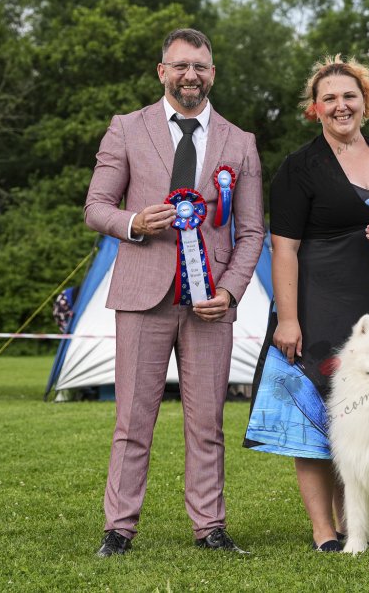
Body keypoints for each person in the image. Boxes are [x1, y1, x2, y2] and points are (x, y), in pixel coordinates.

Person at [84, 28, 264, 557]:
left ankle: (210, 527)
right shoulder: (126, 128)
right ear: (162, 71)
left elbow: (252, 231)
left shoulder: (241, 141)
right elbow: (96, 207)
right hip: (142, 296)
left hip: (211, 304)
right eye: (181, 65)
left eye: (200, 66)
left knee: (208, 423)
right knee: (132, 421)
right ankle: (119, 529)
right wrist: (134, 222)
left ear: (213, 74)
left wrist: (231, 292)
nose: (191, 75)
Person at [243, 55, 369, 552]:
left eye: (349, 95)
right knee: (314, 415)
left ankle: (355, 525)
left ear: (365, 101)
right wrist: (288, 319)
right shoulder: (299, 167)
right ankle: (323, 530)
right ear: (315, 108)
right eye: (329, 98)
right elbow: (283, 247)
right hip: (315, 304)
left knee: (366, 417)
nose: (340, 105)